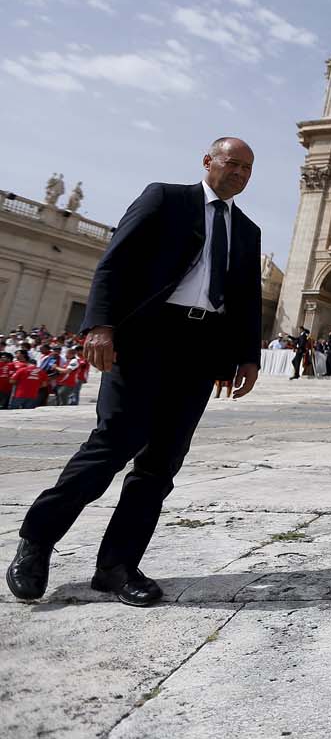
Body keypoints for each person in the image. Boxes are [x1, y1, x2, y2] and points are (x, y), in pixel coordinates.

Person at [7, 137, 262, 607]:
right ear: (208, 161)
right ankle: (37, 540)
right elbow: (115, 262)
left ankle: (117, 567)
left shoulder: (247, 230)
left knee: (160, 464)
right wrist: (100, 325)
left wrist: (246, 356)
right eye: (233, 164)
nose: (241, 174)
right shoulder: (165, 198)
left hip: (200, 349)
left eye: (249, 169)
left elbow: (245, 299)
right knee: (112, 445)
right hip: (146, 338)